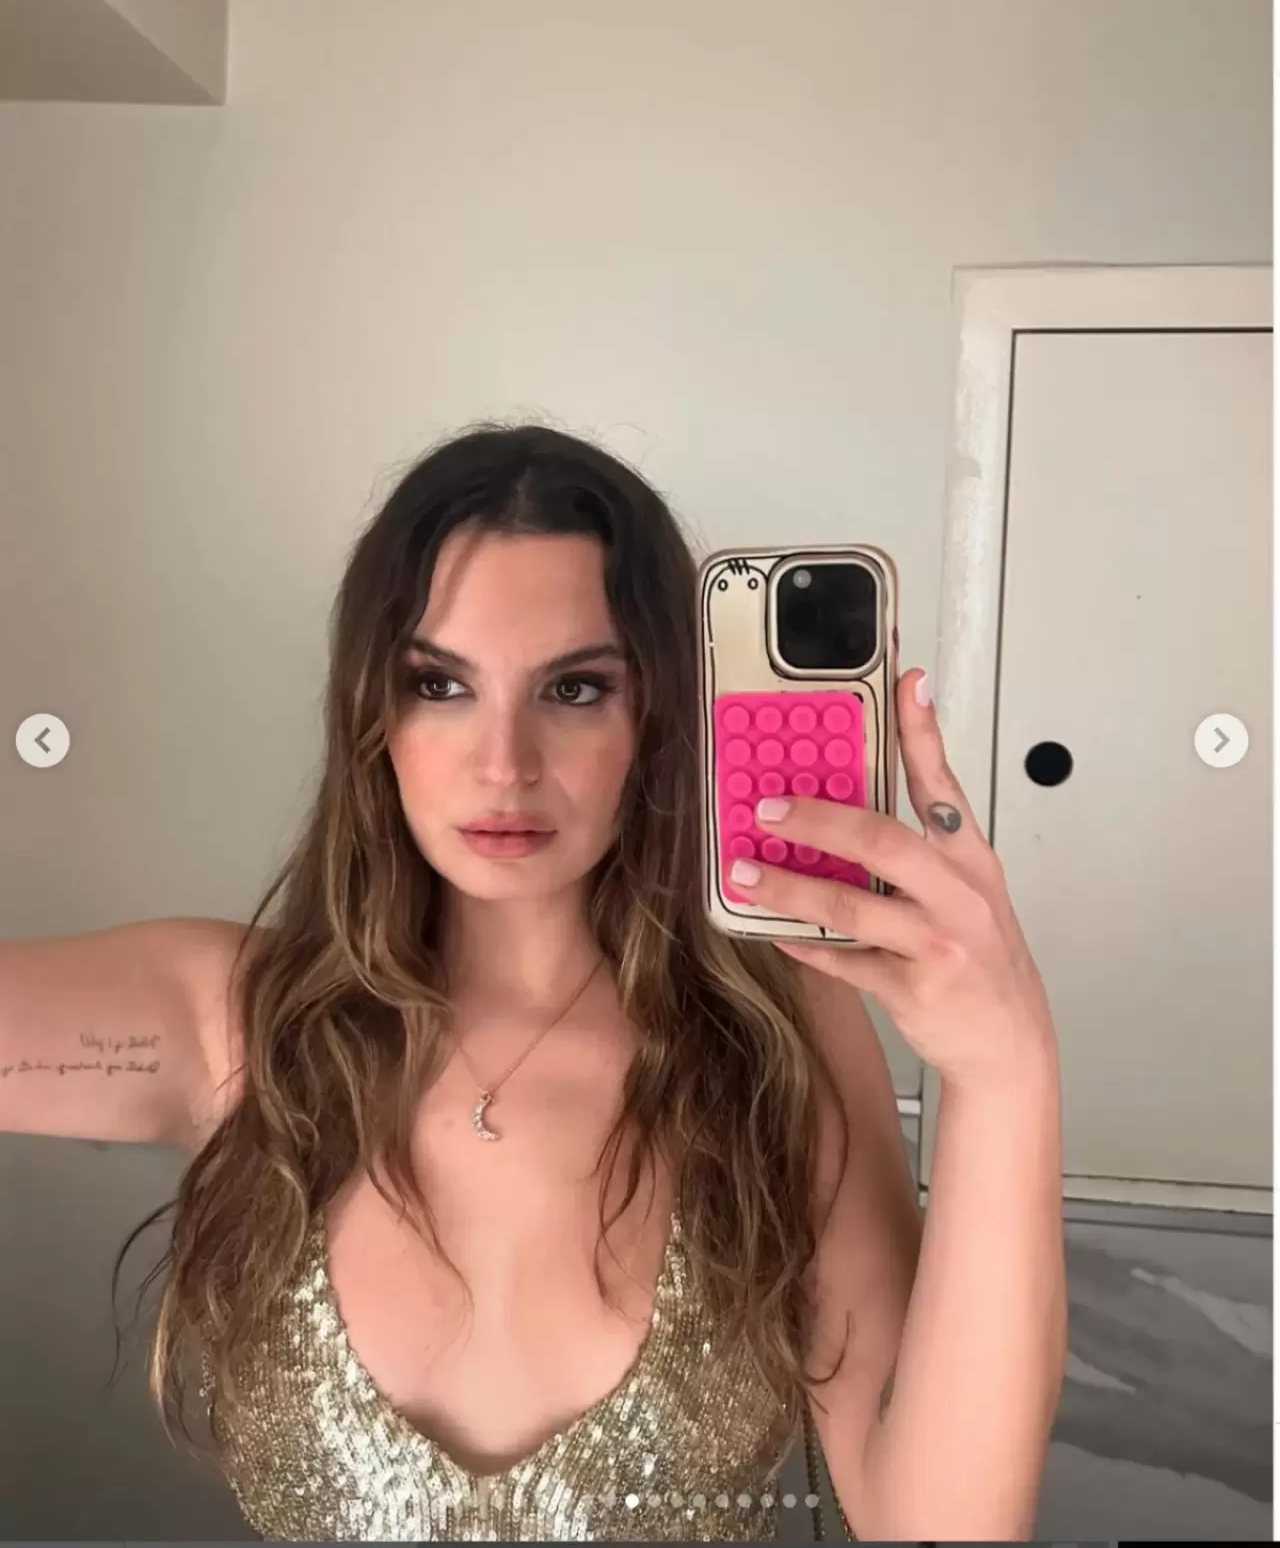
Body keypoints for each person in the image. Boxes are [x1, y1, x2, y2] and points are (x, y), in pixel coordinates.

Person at [1, 425, 1067, 1542]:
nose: (503, 762)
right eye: (439, 684)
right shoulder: (238, 1021)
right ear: (372, 715)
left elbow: (938, 1525)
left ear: (656, 712)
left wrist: (1006, 1075)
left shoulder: (774, 1038)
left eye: (573, 687)